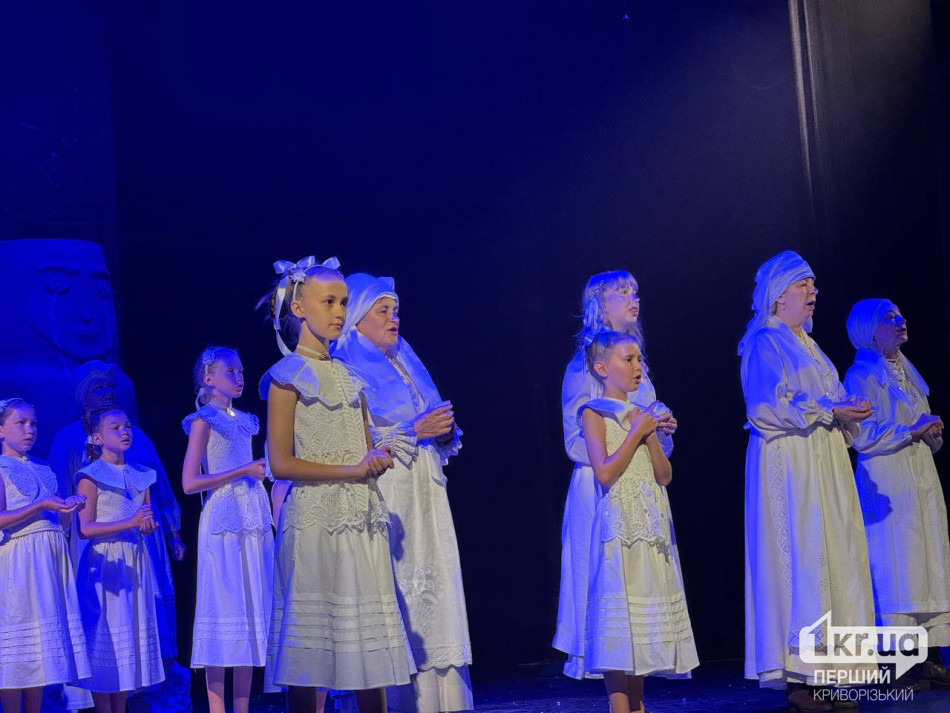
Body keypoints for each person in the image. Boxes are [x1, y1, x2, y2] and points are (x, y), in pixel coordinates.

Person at [260, 256, 413, 713]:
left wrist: (379, 457)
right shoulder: (286, 378)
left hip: (360, 517)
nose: (339, 312)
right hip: (314, 521)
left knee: (367, 643)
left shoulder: (351, 376)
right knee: (310, 649)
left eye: (344, 302)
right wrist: (351, 470)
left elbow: (362, 446)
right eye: (328, 301)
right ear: (299, 308)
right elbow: (280, 463)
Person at [740, 251, 875, 711]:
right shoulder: (766, 342)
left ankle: (829, 674)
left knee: (832, 558)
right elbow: (765, 407)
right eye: (803, 284)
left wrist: (848, 409)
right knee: (798, 560)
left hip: (824, 464)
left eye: (813, 284)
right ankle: (800, 682)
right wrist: (828, 409)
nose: (812, 291)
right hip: (792, 466)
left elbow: (827, 399)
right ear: (779, 296)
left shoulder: (810, 347)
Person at [334, 273, 473, 712]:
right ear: (359, 317)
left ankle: (444, 701)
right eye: (383, 311)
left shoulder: (403, 359)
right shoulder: (347, 367)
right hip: (388, 492)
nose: (393, 318)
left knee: (437, 585)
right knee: (399, 591)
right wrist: (416, 429)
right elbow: (355, 444)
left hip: (425, 490)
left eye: (396, 310)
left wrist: (443, 432)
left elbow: (425, 422)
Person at [555, 270, 676, 679]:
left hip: (640, 483)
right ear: (599, 304)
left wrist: (659, 429)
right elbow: (576, 438)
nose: (632, 299)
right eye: (622, 292)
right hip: (601, 485)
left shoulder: (636, 362)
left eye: (635, 292)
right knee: (605, 582)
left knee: (639, 582)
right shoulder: (584, 367)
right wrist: (632, 434)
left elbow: (644, 420)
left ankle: (638, 665)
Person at [578, 332, 697, 713]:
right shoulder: (593, 413)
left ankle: (639, 704)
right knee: (618, 622)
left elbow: (664, 475)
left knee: (640, 623)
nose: (637, 367)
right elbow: (604, 472)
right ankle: (619, 706)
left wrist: (650, 435)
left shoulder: (642, 414)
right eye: (627, 359)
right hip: (618, 530)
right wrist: (636, 432)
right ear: (602, 368)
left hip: (648, 529)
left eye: (639, 359)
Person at [844, 299, 950, 687]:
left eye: (900, 314)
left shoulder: (907, 374)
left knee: (927, 562)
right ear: (868, 329)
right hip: (887, 481)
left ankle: (930, 656)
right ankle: (899, 661)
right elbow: (862, 436)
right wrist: (910, 430)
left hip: (920, 477)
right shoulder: (860, 375)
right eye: (889, 317)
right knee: (896, 565)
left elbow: (921, 425)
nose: (901, 320)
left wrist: (931, 432)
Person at [182, 346, 273, 713]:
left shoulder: (245, 420)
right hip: (223, 518)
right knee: (223, 606)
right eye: (231, 371)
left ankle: (243, 708)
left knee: (248, 607)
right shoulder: (204, 420)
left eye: (241, 371)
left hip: (251, 513)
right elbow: (190, 482)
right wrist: (243, 471)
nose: (239, 377)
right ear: (209, 378)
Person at [0, 398, 90, 713]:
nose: (30, 430)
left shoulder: (42, 467)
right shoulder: (1, 467)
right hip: (20, 565)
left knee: (37, 653)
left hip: (47, 564)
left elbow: (56, 524)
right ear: (1, 429)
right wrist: (41, 504)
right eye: (21, 423)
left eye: (33, 423)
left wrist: (68, 509)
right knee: (18, 654)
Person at [75, 407, 164, 713]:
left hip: (133, 561)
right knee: (106, 638)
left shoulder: (142, 475)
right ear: (98, 438)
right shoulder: (90, 476)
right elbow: (85, 528)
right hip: (105, 564)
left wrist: (146, 527)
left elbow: (144, 520)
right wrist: (129, 522)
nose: (125, 431)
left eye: (127, 426)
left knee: (126, 638)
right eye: (115, 427)